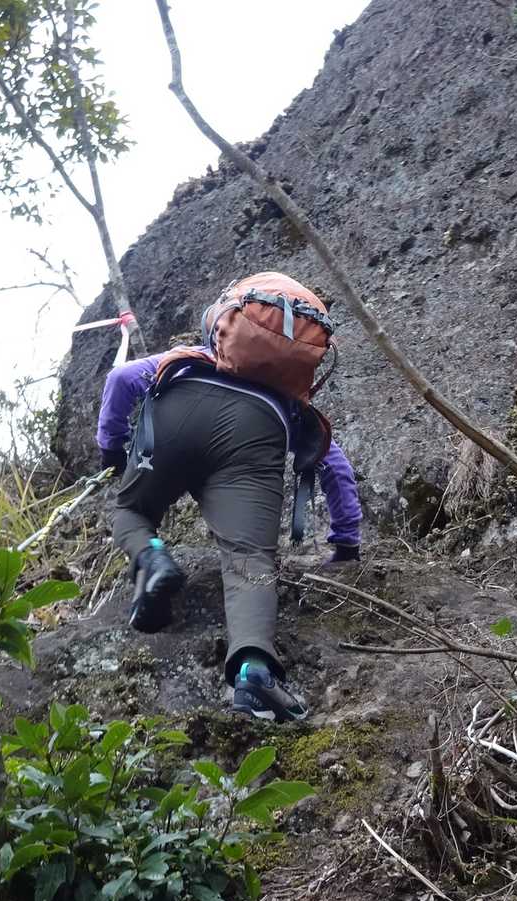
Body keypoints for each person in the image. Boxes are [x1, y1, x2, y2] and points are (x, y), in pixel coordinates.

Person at [94, 284, 363, 723]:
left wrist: (112, 448)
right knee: (249, 559)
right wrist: (346, 542)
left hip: (179, 410)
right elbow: (334, 466)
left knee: (131, 511)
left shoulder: (193, 356)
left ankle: (153, 556)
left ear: (226, 323)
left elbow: (120, 380)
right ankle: (253, 674)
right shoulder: (290, 399)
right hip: (258, 429)